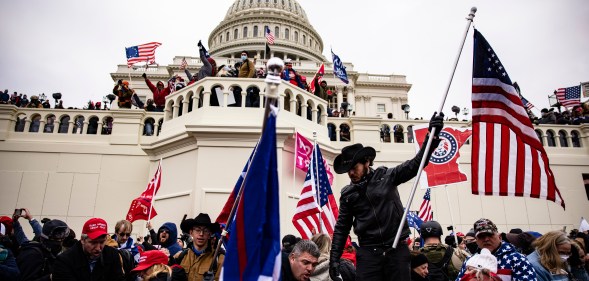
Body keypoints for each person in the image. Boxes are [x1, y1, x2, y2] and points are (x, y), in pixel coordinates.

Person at [328, 112, 444, 281]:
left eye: (354, 167)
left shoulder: (387, 176)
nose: (351, 173)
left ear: (366, 162)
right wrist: (334, 259)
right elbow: (341, 228)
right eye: (348, 170)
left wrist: (431, 137)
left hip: (396, 248)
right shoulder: (348, 194)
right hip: (368, 254)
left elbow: (415, 165)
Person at [455, 218, 538, 281]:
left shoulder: (517, 260)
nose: (486, 239)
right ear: (476, 240)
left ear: (499, 237)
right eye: (481, 236)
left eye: (490, 235)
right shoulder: (470, 261)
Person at [53, 217, 124, 281]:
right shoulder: (65, 260)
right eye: (93, 243)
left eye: (102, 242)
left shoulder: (112, 255)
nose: (98, 248)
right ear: (82, 240)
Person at [175, 213, 224, 281]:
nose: (201, 234)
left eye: (205, 230)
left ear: (210, 234)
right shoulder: (180, 256)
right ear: (191, 232)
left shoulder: (219, 259)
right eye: (198, 230)